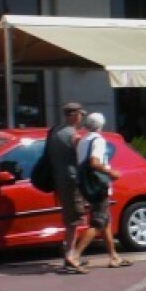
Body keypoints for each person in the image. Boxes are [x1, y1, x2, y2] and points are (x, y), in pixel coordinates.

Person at [68, 112, 128, 270]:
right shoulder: (98, 140)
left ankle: (114, 257)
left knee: (105, 221)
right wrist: (111, 172)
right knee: (98, 222)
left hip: (86, 185)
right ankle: (74, 256)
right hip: (98, 185)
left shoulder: (83, 140)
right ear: (101, 125)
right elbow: (94, 162)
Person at [46, 102, 87, 272]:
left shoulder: (55, 132)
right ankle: (70, 256)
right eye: (80, 115)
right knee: (73, 220)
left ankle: (68, 253)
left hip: (59, 180)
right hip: (72, 180)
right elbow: (82, 159)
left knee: (68, 217)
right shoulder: (74, 136)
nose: (81, 118)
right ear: (75, 115)